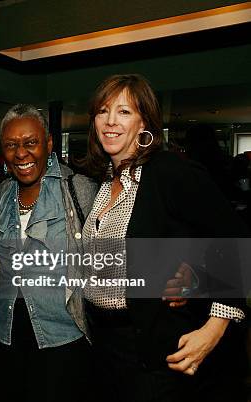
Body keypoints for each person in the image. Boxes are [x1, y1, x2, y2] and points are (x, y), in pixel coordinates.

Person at [82, 74, 247, 402]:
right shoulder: (103, 183)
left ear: (145, 121)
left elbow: (234, 238)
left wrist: (215, 326)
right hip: (104, 347)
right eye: (103, 111)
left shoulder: (167, 172)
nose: (111, 121)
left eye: (125, 112)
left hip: (152, 352)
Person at [0, 104, 98, 402]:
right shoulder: (2, 194)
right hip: (7, 334)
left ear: (48, 144)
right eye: (11, 145)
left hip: (63, 337)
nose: (21, 153)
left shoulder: (79, 189)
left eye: (30, 143)